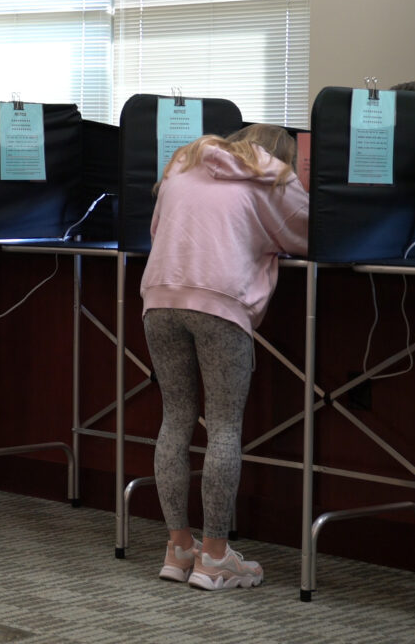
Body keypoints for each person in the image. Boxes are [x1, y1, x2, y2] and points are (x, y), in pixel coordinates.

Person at [140, 124, 308, 590]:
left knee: (175, 418)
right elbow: (310, 236)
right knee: (224, 425)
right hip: (220, 303)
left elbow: (156, 229)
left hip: (160, 298)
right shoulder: (273, 176)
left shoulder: (183, 163)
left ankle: (178, 549)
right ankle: (215, 557)